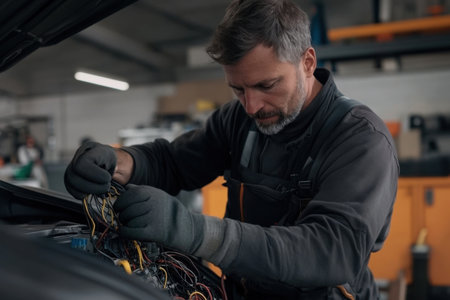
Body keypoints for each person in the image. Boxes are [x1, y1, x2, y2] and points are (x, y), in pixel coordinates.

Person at [64, 0, 399, 298]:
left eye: (266, 85)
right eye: (238, 89)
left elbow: (330, 250)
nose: (252, 106)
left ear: (307, 62)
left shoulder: (360, 139)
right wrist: (117, 161)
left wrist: (193, 231)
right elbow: (174, 162)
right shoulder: (239, 120)